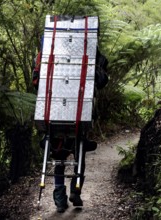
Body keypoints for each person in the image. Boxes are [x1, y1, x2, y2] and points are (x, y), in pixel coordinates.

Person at [34, 49, 108, 213]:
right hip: (79, 113)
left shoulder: (47, 51)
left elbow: (37, 81)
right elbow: (102, 80)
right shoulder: (89, 47)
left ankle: (60, 200)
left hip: (53, 114)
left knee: (58, 158)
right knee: (79, 153)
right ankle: (76, 191)